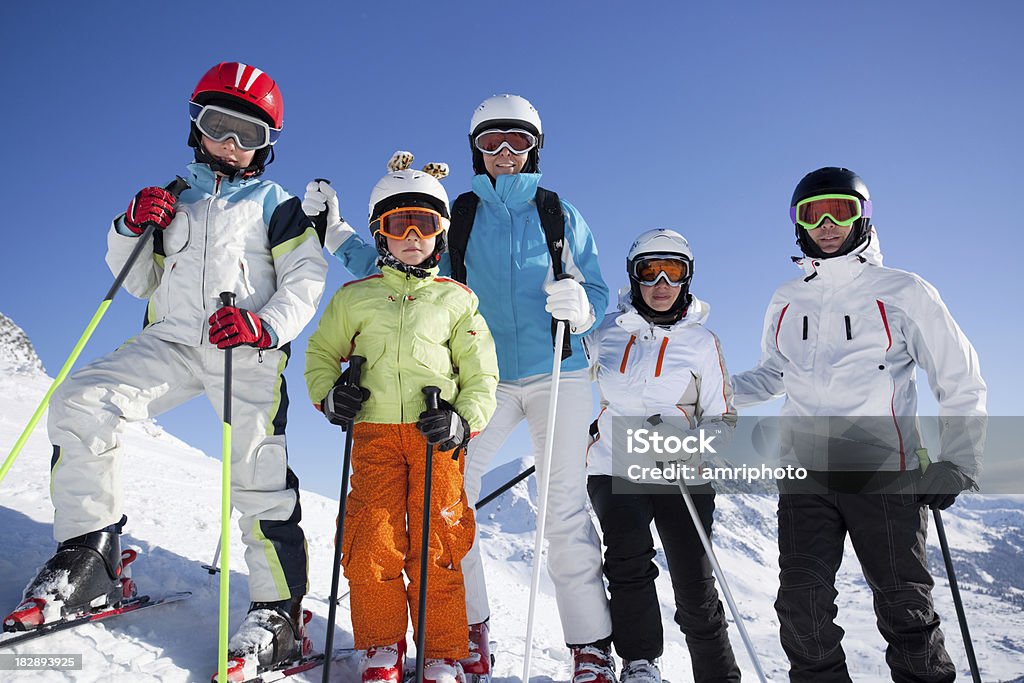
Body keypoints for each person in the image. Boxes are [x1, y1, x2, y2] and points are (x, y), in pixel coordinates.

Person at [1, 62, 327, 674]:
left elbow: (306, 278)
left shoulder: (277, 207)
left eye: (248, 134)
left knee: (258, 470)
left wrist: (267, 326)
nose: (230, 144)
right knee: (81, 400)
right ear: (195, 126)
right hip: (173, 341)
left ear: (267, 146)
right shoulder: (173, 198)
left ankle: (277, 612)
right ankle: (89, 556)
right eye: (218, 126)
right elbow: (139, 279)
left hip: (245, 348)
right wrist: (131, 228)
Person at [304, 94, 613, 681]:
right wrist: (337, 232)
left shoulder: (558, 212)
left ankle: (590, 646)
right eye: (491, 142)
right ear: (475, 149)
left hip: (557, 371)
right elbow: (395, 271)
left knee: (564, 509)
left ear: (535, 147)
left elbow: (594, 289)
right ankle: (466, 631)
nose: (504, 153)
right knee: (449, 502)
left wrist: (584, 309)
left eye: (517, 141)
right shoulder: (460, 212)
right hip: (478, 381)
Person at [731, 167, 987, 682]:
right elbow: (774, 374)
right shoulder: (786, 297)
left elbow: (958, 375)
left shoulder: (904, 292)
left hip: (885, 472)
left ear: (862, 216)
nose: (827, 223)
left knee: (905, 610)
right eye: (813, 213)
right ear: (799, 224)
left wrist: (959, 459)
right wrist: (704, 392)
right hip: (806, 476)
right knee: (800, 607)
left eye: (840, 209)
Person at [304, 152, 499, 683]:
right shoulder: (355, 298)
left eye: (425, 223)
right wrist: (330, 397)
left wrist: (464, 420)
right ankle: (382, 644)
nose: (412, 234)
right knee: (372, 538)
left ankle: (440, 652)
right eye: (397, 224)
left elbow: (481, 374)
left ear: (441, 233)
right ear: (379, 232)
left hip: (437, 437)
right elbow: (321, 353)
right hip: (373, 433)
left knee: (438, 540)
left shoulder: (457, 301)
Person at [585, 229, 741, 683]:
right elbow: (566, 380)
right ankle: (639, 663)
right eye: (649, 271)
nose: (660, 283)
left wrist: (691, 447)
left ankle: (717, 675)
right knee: (628, 563)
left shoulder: (702, 342)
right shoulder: (605, 334)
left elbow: (722, 417)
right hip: (614, 467)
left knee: (695, 583)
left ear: (687, 278)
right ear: (633, 277)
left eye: (673, 271)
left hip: (682, 474)